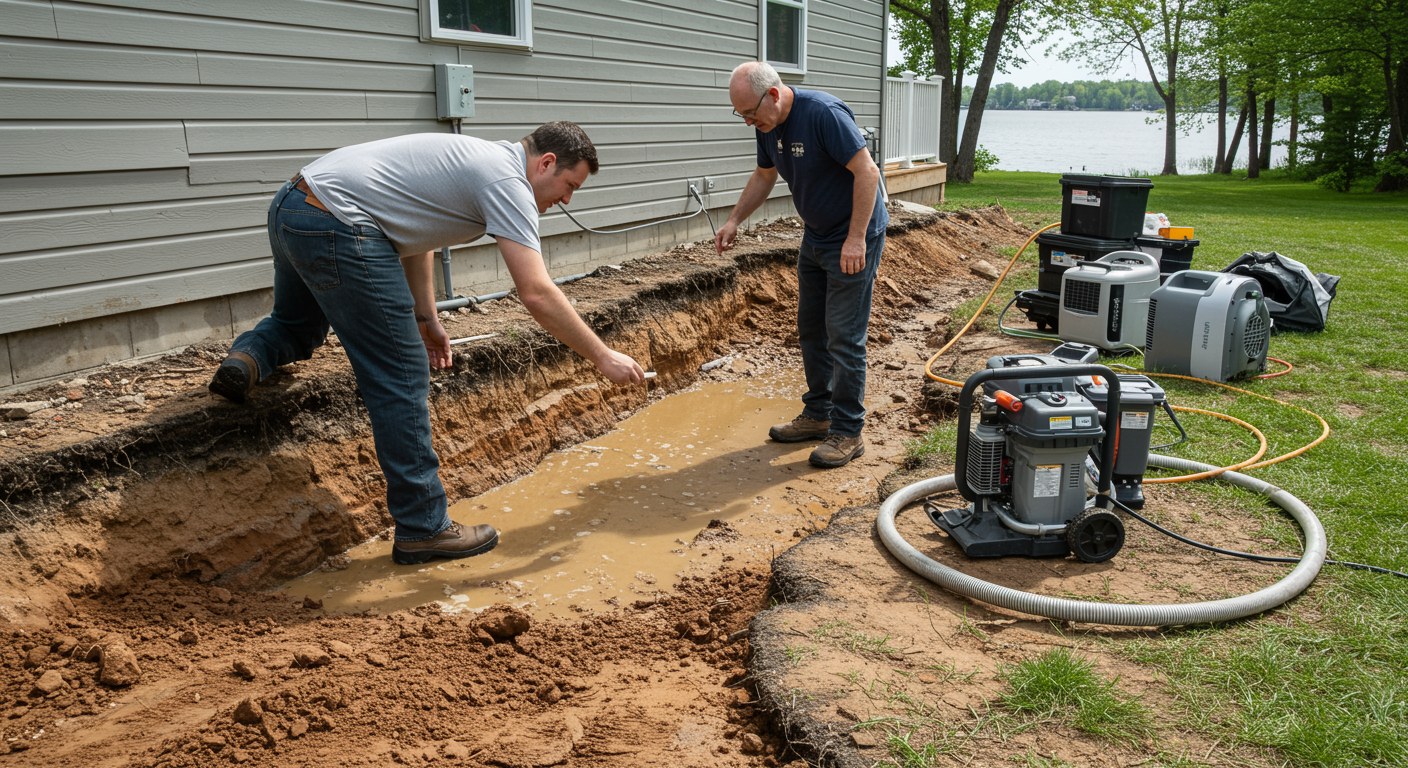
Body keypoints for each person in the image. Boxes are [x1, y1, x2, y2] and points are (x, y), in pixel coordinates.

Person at [208, 122, 646, 564]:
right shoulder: (508, 182)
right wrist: (602, 355)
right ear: (546, 163)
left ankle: (247, 360)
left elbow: (418, 235)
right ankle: (423, 528)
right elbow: (535, 291)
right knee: (399, 371)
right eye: (569, 185)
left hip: (294, 203)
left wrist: (426, 316)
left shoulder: (478, 158)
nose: (566, 200)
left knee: (297, 323)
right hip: (339, 220)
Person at [714, 62, 888, 469]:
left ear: (773, 95)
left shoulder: (822, 114)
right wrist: (735, 219)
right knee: (811, 328)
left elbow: (867, 171)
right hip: (815, 235)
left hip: (852, 236)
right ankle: (818, 414)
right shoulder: (767, 126)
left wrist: (856, 238)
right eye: (741, 115)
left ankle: (847, 432)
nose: (749, 123)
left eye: (751, 114)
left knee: (844, 336)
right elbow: (764, 174)